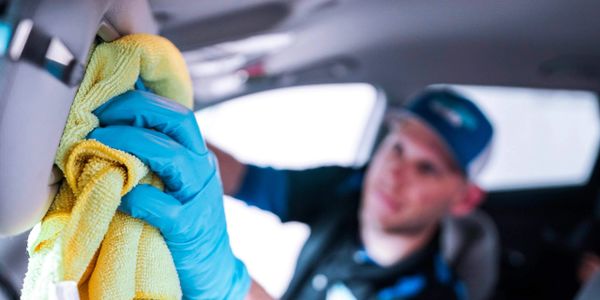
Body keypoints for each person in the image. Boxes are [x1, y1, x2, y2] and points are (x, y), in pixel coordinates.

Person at [87, 87, 494, 299]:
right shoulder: (350, 188)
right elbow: (248, 180)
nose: (395, 174)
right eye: (398, 147)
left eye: (427, 168)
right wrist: (174, 136)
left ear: (463, 200)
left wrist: (226, 280)